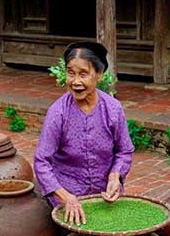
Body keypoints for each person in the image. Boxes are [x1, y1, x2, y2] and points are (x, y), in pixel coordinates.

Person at [33, 41, 134, 224]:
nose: (76, 81)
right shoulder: (58, 112)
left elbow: (124, 150)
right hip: (68, 199)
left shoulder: (113, 109)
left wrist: (115, 177)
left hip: (105, 198)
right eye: (71, 73)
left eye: (83, 74)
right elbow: (42, 161)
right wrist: (65, 197)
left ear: (99, 75)